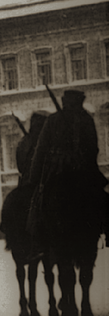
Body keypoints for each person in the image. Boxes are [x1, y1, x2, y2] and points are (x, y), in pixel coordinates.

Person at [27, 89, 107, 236]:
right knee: (102, 199)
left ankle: (37, 241)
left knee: (38, 206)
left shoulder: (53, 120)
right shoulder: (86, 119)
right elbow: (93, 149)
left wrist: (34, 178)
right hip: (83, 172)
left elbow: (41, 151)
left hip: (56, 172)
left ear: (64, 102)